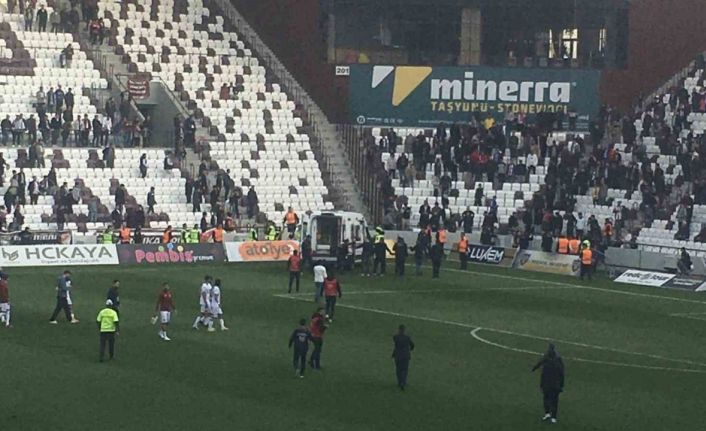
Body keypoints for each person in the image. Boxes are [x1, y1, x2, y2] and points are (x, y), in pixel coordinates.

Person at [531, 343, 565, 424]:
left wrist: (534, 369)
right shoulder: (556, 360)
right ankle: (551, 415)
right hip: (552, 385)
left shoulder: (550, 361)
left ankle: (549, 414)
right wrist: (561, 385)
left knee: (548, 399)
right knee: (553, 400)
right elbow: (562, 374)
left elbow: (541, 363)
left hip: (550, 385)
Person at [392, 324, 415, 390]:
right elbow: (412, 345)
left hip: (397, 355)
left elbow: (395, 340)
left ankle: (399, 382)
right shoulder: (407, 337)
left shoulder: (396, 337)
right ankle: (403, 382)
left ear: (399, 330)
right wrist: (409, 350)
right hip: (405, 356)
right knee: (404, 370)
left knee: (398, 369)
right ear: (404, 330)